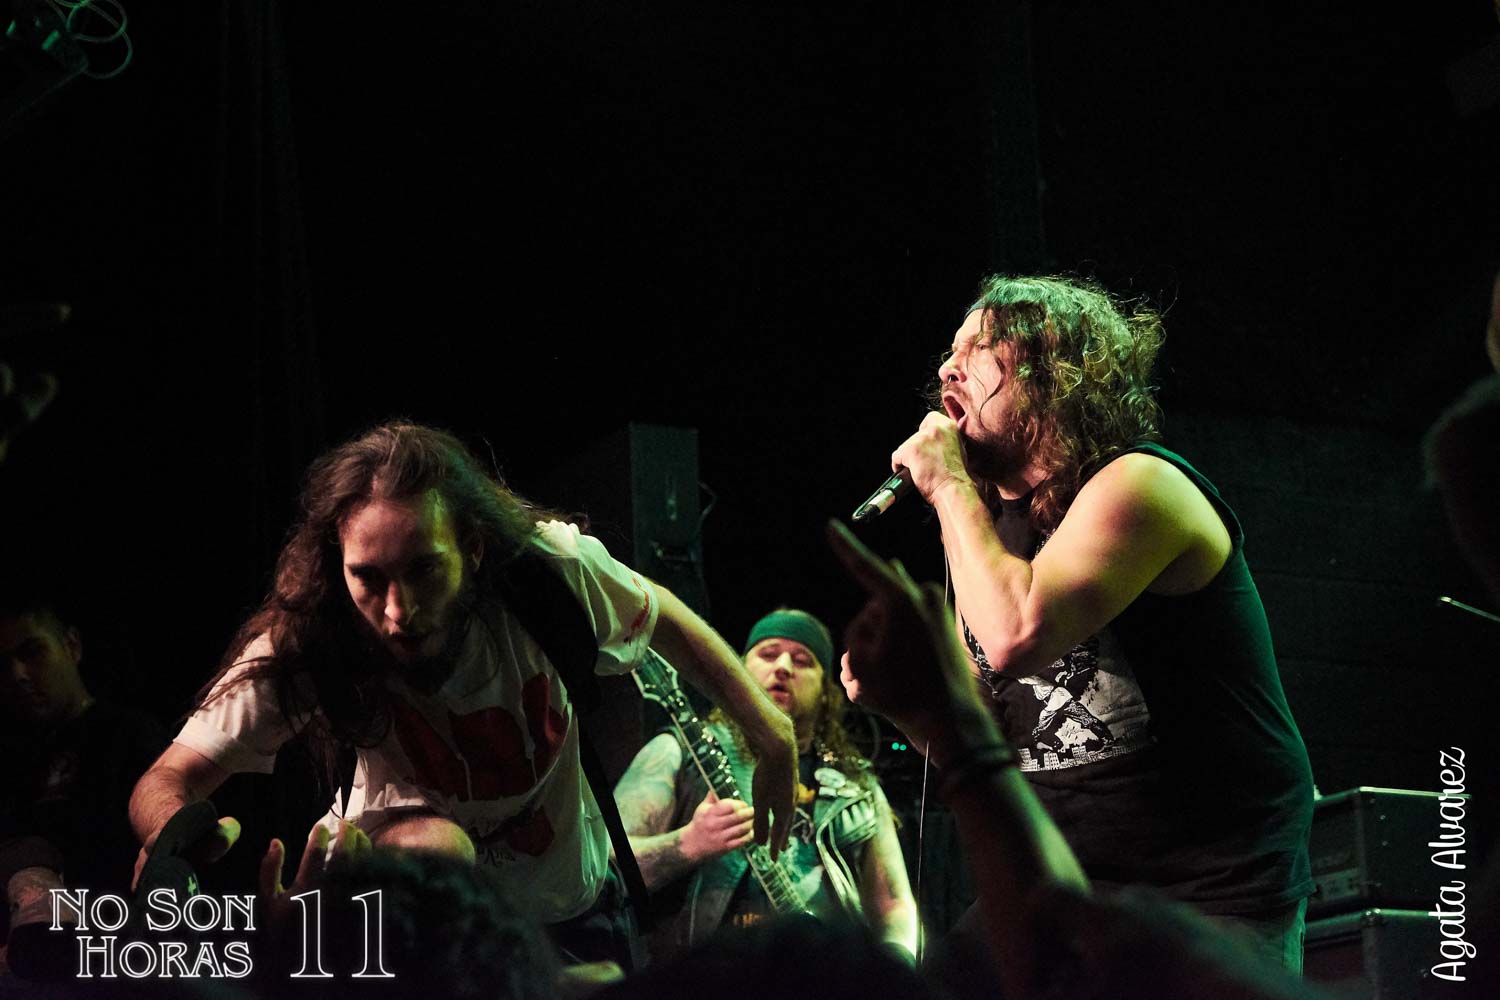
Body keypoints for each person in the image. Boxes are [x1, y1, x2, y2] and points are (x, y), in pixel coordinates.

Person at [127, 421, 796, 966]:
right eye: (369, 579)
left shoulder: (551, 573)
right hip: (415, 934)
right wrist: (172, 837)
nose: (398, 611)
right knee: (439, 847)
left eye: (424, 570)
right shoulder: (312, 637)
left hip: (566, 909)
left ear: (472, 549)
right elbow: (167, 778)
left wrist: (771, 733)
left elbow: (662, 617)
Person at [870, 275, 1315, 972]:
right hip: (1065, 881)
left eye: (977, 347)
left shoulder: (1142, 484)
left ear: (1053, 366)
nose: (946, 369)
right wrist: (903, 700)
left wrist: (949, 487)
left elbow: (1017, 635)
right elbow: (982, 740)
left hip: (1208, 889)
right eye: (948, 352)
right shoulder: (991, 530)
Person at [613, 609, 919, 964]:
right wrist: (688, 844)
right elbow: (604, 868)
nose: (783, 667)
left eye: (802, 660)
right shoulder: (678, 751)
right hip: (708, 979)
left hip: (825, 979)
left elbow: (894, 904)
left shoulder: (857, 786)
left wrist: (898, 969)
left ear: (826, 691)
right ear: (739, 672)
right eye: (768, 654)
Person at [0, 589, 166, 976]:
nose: (17, 675)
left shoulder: (130, 736)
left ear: (71, 645)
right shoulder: (12, 759)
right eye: (3, 663)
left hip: (114, 955)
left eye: (32, 651)